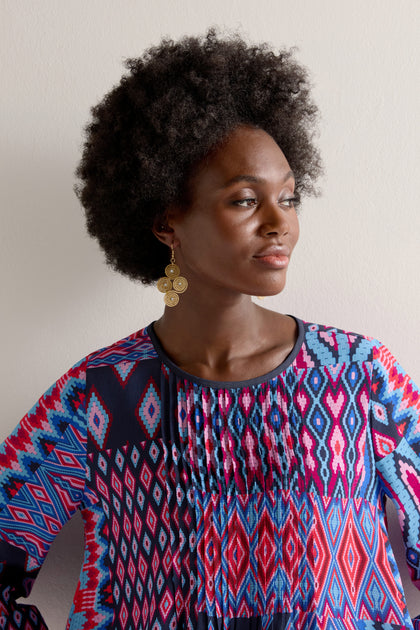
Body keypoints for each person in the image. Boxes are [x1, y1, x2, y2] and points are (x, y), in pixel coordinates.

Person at [0, 28, 419, 630]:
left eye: (290, 197)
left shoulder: (358, 376)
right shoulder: (97, 398)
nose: (281, 223)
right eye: (245, 200)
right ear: (168, 222)